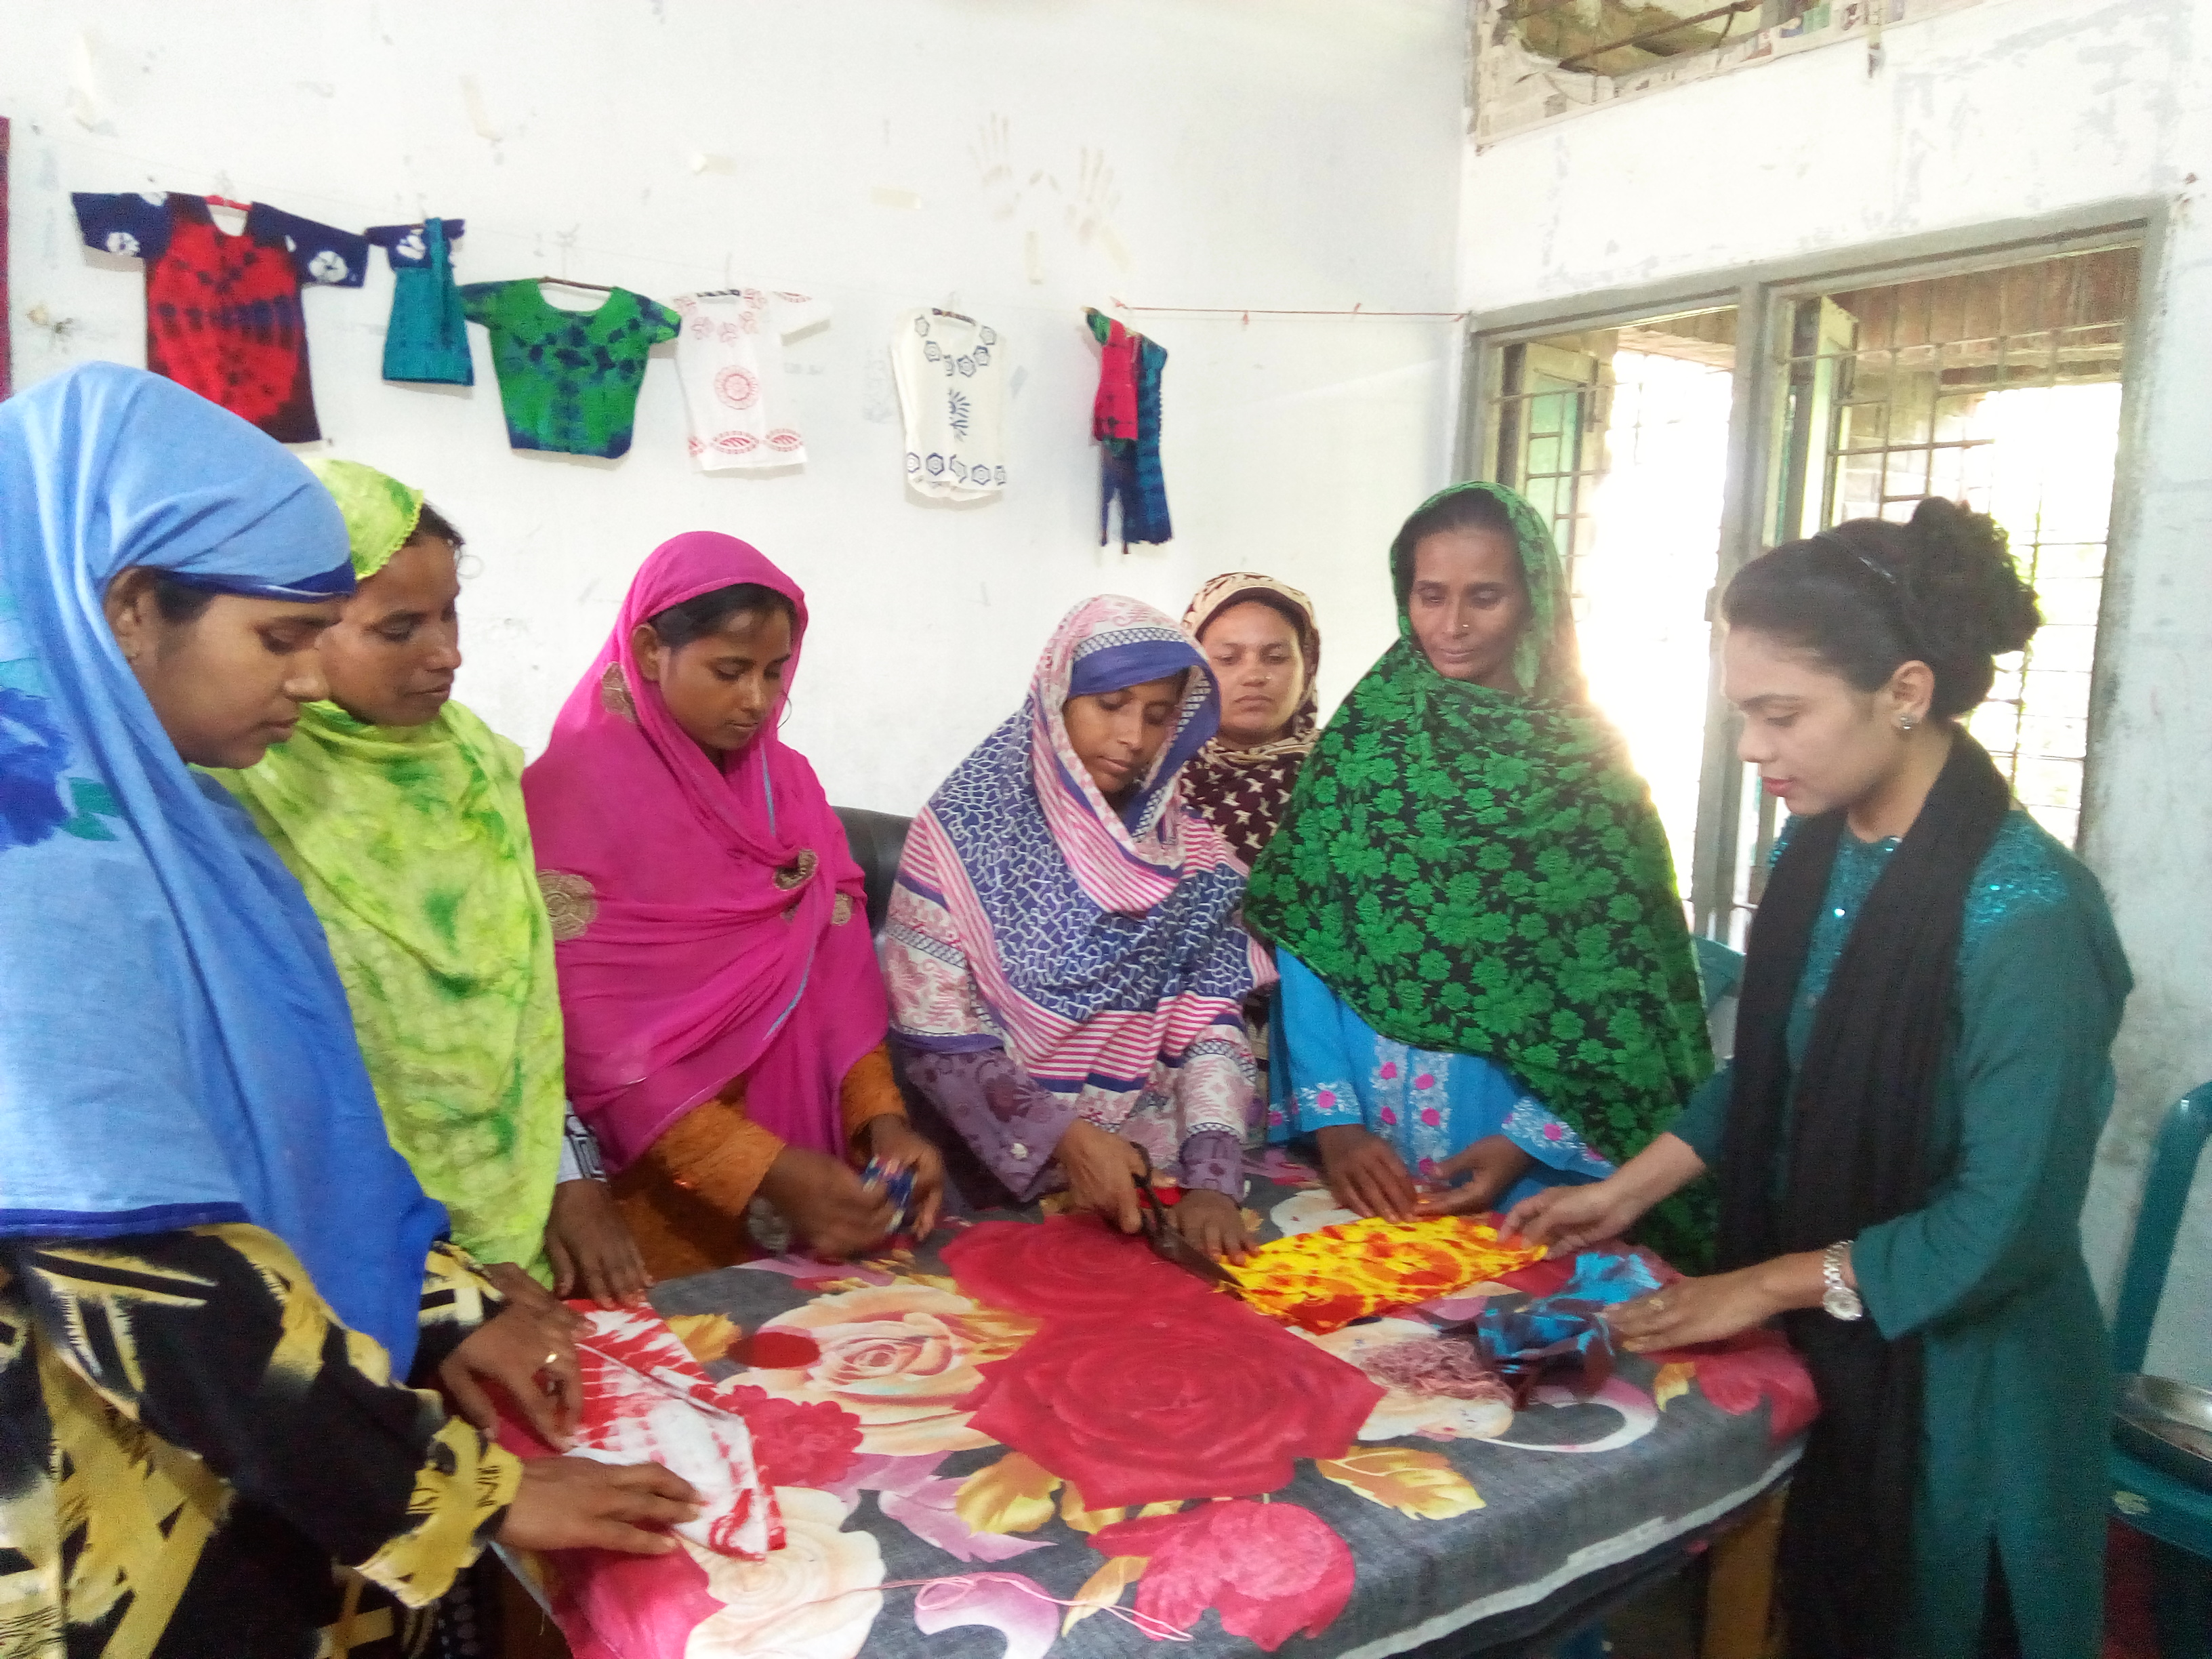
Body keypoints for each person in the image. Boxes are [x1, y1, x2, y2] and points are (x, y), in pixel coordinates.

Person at [0, 365, 698, 1658]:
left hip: (264, 1455)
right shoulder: (34, 853)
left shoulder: (179, 822)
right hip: (102, 1511)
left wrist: (443, 1310)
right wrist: (453, 1492)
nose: (310, 683)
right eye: (279, 640)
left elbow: (292, 1129)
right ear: (132, 605)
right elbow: (140, 1272)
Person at [1505, 499, 2128, 1659]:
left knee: (1933, 1618)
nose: (1751, 748)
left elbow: (2005, 1222)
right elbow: (1779, 1070)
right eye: (1742, 714)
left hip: (1965, 1387)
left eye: (1778, 713)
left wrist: (1761, 1285)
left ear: (1903, 692)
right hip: (1837, 1333)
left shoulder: (2025, 919)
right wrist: (1625, 1190)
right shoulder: (1815, 848)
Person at [214, 458, 649, 1311]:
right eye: (399, 628)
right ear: (303, 626)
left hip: (519, 1216)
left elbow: (526, 1005)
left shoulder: (476, 766)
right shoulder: (241, 784)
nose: (447, 653)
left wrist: (571, 1173)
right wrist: (434, 1282)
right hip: (342, 1249)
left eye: (450, 612)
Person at [1245, 481, 1713, 1265]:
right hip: (1362, 1161)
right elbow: (1308, 932)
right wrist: (1336, 1125)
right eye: (1431, 595)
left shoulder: (1589, 767)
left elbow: (1624, 992)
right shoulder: (1365, 743)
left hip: (1529, 1167)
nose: (1452, 625)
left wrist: (1528, 1142)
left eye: (1485, 597)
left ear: (1534, 600)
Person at [521, 532, 943, 1274]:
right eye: (730, 670)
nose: (757, 700)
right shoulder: (569, 803)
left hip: (820, 1191)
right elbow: (596, 1043)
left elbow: (837, 975)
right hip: (652, 1212)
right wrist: (761, 1169)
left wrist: (882, 1120)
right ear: (650, 650)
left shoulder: (790, 787)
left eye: (775, 673)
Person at [883, 595, 1273, 1262]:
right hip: (986, 1182)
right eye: (1111, 705)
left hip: (1145, 1182)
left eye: (1158, 716)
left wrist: (1212, 1177)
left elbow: (1210, 1026)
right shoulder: (963, 834)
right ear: (1057, 697)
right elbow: (938, 1041)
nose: (1134, 738)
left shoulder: (1192, 856)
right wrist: (1064, 1138)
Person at [1179, 571, 1321, 865]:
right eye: (1228, 659)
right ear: (1193, 671)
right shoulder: (1156, 777)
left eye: (1275, 657)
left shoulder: (1345, 776)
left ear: (1307, 667)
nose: (1254, 676)